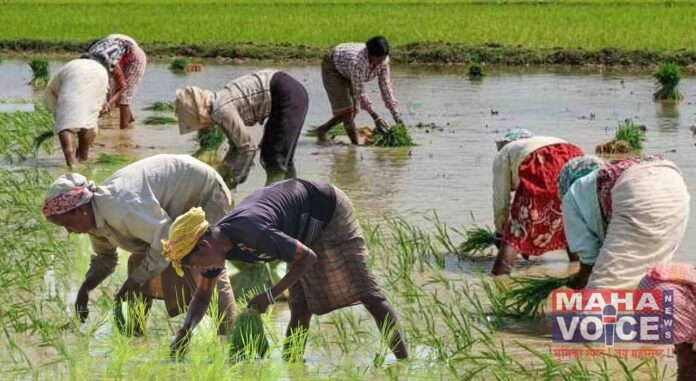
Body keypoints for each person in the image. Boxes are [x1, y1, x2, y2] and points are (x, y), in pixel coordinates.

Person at [164, 179, 408, 360]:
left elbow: (308, 258)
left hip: (327, 211)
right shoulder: (216, 251)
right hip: (297, 229)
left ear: (204, 245)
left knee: (369, 295)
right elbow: (204, 295)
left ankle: (403, 362)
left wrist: (270, 295)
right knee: (300, 307)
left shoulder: (251, 231)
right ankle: (294, 366)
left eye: (193, 263)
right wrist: (186, 330)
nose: (196, 268)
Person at [42, 154, 235, 335]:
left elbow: (166, 241)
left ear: (80, 209)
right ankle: (135, 332)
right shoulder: (95, 221)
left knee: (208, 267)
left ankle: (231, 336)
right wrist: (86, 288)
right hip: (173, 207)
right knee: (137, 264)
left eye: (67, 223)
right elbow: (105, 259)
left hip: (203, 191)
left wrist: (136, 279)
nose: (69, 230)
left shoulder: (120, 207)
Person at [560, 156, 690, 290]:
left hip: (636, 187)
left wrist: (579, 280)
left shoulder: (571, 196)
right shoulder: (602, 178)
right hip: (673, 181)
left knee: (600, 291)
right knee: (653, 273)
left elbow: (588, 260)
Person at [175, 70, 308, 189]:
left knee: (275, 158)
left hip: (287, 93)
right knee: (281, 158)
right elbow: (236, 146)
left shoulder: (221, 111)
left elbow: (248, 148)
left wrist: (234, 179)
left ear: (199, 114)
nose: (203, 129)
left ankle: (271, 206)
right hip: (289, 93)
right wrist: (223, 173)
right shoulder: (218, 106)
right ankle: (295, 201)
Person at [490, 128, 583, 275]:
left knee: (516, 231)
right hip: (575, 158)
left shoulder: (504, 152)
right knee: (569, 222)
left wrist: (501, 232)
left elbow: (501, 200)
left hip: (541, 162)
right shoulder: (544, 140)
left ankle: (499, 278)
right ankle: (578, 270)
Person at [314, 36, 403, 145]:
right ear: (370, 54)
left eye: (383, 58)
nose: (381, 62)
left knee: (354, 110)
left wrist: (396, 115)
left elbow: (386, 88)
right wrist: (376, 117)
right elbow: (360, 93)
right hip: (333, 68)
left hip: (348, 69)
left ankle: (323, 130)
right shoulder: (357, 62)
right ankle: (355, 147)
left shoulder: (383, 61)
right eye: (379, 59)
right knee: (347, 111)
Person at [45, 58, 109, 167]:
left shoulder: (71, 65)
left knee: (65, 126)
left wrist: (60, 118)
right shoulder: (101, 69)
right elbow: (102, 98)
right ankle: (83, 159)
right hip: (101, 75)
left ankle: (71, 164)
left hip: (75, 74)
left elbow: (51, 92)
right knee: (89, 122)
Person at [638, 263, 696, 381]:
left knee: (685, 348)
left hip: (648, 289)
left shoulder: (687, 271)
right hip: (674, 299)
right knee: (691, 364)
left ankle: (682, 348)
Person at [82, 33, 147, 129]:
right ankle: (130, 119)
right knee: (113, 92)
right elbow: (104, 87)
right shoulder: (87, 60)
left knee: (125, 97)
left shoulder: (110, 63)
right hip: (120, 53)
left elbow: (122, 87)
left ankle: (123, 131)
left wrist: (108, 103)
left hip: (135, 57)